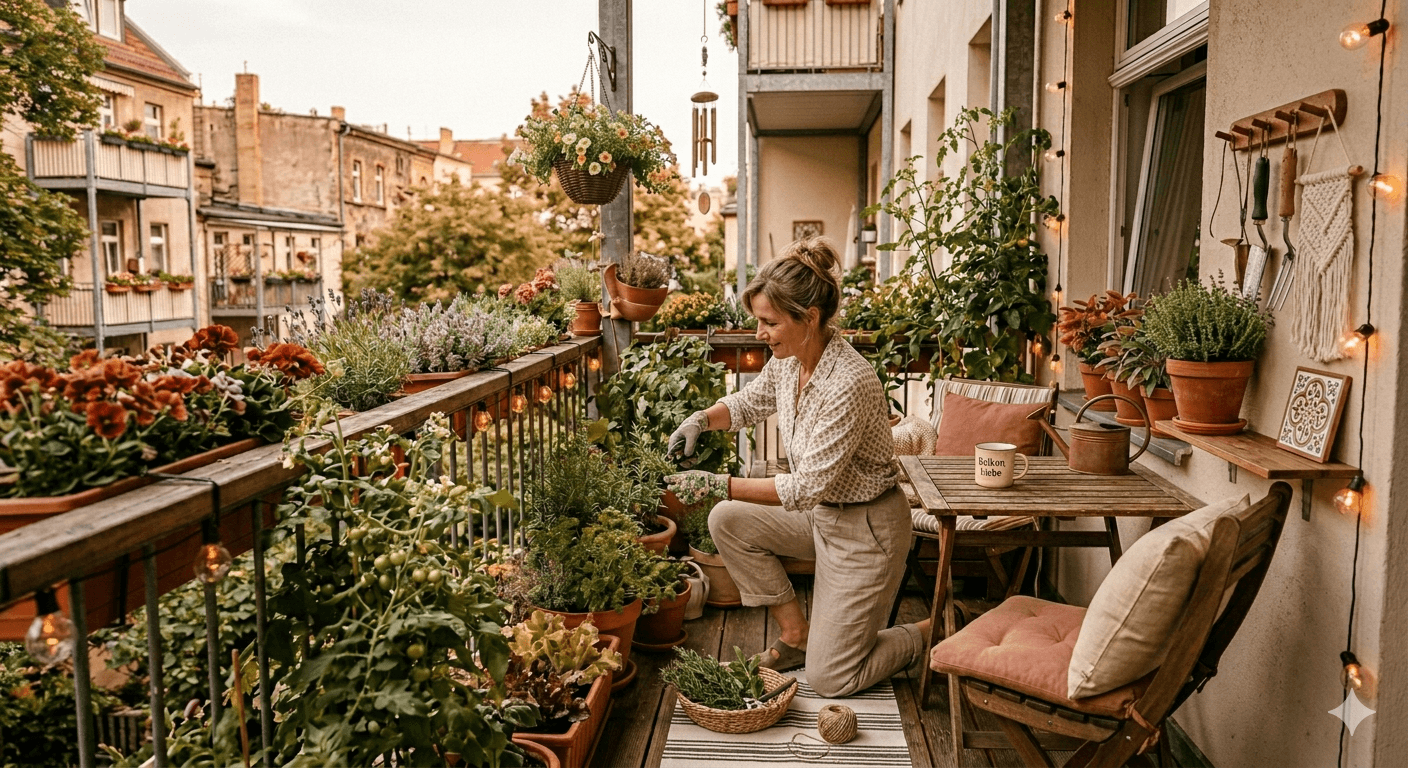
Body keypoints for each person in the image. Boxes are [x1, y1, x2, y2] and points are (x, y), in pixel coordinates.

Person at [664, 237, 930, 698]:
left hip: (866, 532)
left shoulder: (849, 381)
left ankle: (933, 629)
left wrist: (718, 483)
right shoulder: (788, 362)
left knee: (832, 679)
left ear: (809, 317)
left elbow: (805, 487)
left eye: (770, 323)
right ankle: (796, 635)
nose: (759, 334)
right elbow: (750, 402)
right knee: (726, 520)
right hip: (820, 517)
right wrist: (701, 420)